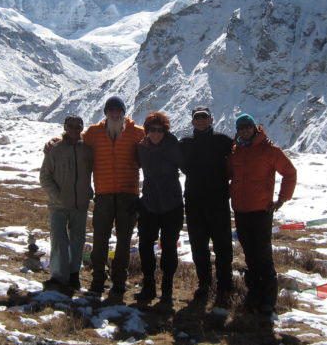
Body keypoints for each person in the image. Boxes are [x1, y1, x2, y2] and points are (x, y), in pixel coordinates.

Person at [228, 113, 296, 315]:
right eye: (241, 128)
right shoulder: (235, 152)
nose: (245, 131)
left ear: (255, 128)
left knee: (263, 256)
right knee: (250, 256)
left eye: (248, 127)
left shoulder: (269, 150)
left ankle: (268, 301)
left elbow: (290, 173)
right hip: (240, 211)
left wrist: (282, 199)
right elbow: (228, 174)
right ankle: (254, 295)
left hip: (261, 211)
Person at [82, 95, 144, 300]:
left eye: (119, 110)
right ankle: (98, 279)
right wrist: (55, 142)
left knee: (124, 241)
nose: (115, 114)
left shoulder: (137, 133)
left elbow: (157, 142)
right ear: (106, 113)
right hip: (104, 194)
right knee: (100, 239)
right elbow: (75, 142)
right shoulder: (93, 133)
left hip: (129, 195)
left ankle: (119, 281)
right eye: (111, 110)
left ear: (124, 113)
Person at [179, 105, 234, 305]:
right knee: (198, 247)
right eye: (197, 118)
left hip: (219, 202)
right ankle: (205, 284)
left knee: (223, 247)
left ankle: (225, 286)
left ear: (211, 120)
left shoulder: (223, 141)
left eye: (204, 118)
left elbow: (242, 153)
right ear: (192, 122)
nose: (201, 121)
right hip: (194, 203)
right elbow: (175, 160)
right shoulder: (185, 143)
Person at [39, 116, 93, 294]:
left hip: (80, 205)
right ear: (65, 127)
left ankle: (73, 275)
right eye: (71, 126)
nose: (74, 130)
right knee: (59, 241)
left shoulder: (87, 149)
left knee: (77, 242)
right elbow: (45, 176)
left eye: (78, 127)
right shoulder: (55, 149)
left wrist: (89, 191)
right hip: (59, 205)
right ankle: (57, 277)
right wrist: (57, 195)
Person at [134, 112, 184, 305]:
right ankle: (148, 286)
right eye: (152, 130)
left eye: (160, 130)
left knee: (169, 247)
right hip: (149, 204)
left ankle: (167, 288)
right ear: (146, 131)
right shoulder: (141, 148)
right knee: (145, 246)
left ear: (165, 131)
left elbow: (189, 165)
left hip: (172, 205)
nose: (156, 133)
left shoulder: (174, 146)